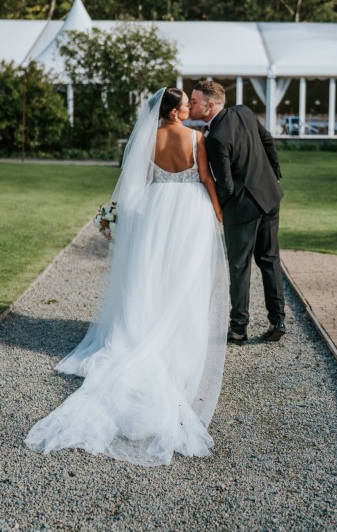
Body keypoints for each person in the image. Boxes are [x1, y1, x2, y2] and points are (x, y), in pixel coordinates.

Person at [25, 88, 229, 466]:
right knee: (184, 278)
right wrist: (218, 212)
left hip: (154, 210)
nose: (190, 107)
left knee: (148, 275)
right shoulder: (196, 137)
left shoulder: (147, 138)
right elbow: (205, 178)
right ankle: (175, 334)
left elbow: (136, 182)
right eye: (185, 103)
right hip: (188, 212)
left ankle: (145, 327)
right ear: (174, 112)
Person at [190, 80, 285, 345]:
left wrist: (215, 204)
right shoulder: (244, 111)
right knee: (269, 259)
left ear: (210, 105)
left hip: (242, 209)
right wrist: (273, 176)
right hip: (270, 197)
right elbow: (268, 142)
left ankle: (238, 329)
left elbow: (227, 185)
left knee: (240, 266)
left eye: (194, 101)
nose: (190, 104)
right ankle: (278, 320)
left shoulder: (215, 138)